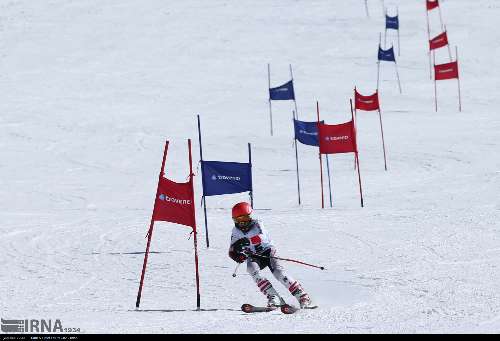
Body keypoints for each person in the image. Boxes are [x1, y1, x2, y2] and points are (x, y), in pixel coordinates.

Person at [228, 202, 312, 308]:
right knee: (251, 269)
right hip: (254, 255)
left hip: (267, 251)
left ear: (250, 217)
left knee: (278, 272)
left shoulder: (257, 223)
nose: (242, 224)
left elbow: (262, 237)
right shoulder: (235, 231)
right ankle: (274, 297)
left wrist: (246, 241)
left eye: (244, 219)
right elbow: (231, 251)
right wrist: (237, 256)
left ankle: (302, 295)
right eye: (238, 220)